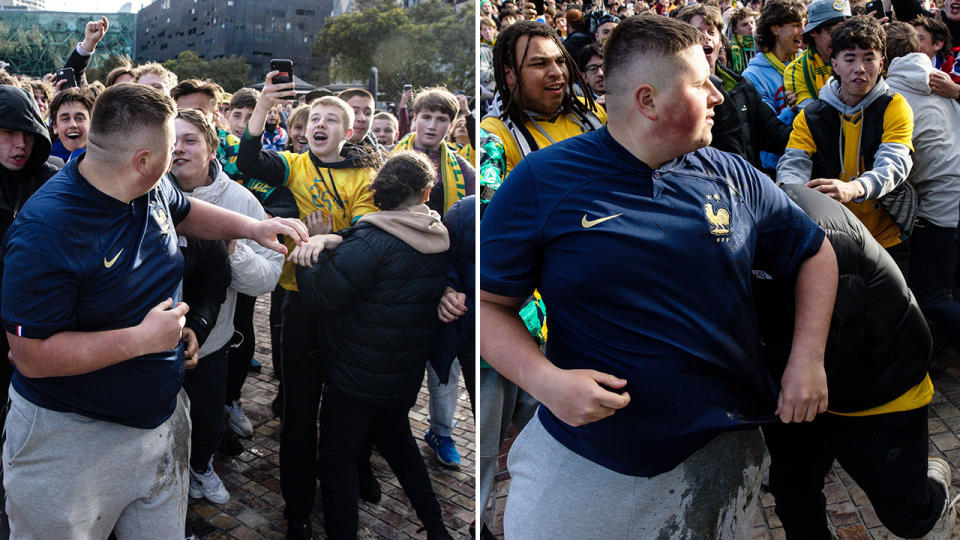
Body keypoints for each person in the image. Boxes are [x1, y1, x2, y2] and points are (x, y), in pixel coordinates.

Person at [480, 14, 837, 538]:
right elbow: (488, 306)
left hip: (723, 448)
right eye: (701, 83)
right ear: (647, 101)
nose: (719, 95)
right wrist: (546, 382)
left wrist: (808, 357)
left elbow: (815, 251)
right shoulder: (541, 180)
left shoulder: (729, 171)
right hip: (593, 461)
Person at [0, 83, 306, 539]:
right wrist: (142, 339)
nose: (176, 158)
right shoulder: (47, 229)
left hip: (160, 424)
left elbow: (185, 212)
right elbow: (30, 356)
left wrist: (253, 226)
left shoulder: (150, 186)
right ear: (143, 160)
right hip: (70, 442)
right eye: (168, 148)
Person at [754, 184, 953, 540]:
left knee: (908, 517)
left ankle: (933, 479)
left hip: (879, 379)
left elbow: (835, 344)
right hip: (798, 376)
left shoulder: (820, 237)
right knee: (791, 492)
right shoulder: (718, 234)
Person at [236, 74, 379, 539]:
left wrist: (327, 236)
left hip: (348, 312)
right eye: (314, 117)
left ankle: (348, 481)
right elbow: (248, 159)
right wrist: (262, 106)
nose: (320, 124)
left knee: (344, 411)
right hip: (298, 305)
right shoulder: (294, 165)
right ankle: (296, 510)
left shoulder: (364, 176)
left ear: (348, 131)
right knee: (298, 415)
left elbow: (366, 236)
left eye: (331, 119)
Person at [289, 151, 454, 540]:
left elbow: (324, 298)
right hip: (402, 375)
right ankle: (436, 527)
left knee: (336, 459)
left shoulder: (371, 243)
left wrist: (310, 255)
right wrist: (341, 237)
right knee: (400, 446)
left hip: (354, 377)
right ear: (427, 192)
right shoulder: (440, 235)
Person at [169, 108, 284, 504]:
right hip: (149, 338)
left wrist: (233, 253)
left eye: (189, 140)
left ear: (212, 147)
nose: (178, 149)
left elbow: (267, 278)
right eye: (172, 139)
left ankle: (201, 468)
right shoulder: (144, 189)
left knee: (205, 419)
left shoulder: (238, 200)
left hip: (211, 337)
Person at [777, 16, 915, 268]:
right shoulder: (811, 115)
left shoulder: (895, 106)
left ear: (882, 63)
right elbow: (794, 164)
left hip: (887, 240)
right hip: (833, 238)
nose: (860, 68)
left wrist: (855, 188)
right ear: (835, 65)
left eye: (869, 58)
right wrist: (792, 198)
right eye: (850, 59)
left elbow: (894, 164)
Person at [392, 87, 474, 469]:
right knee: (398, 365)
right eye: (427, 116)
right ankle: (389, 427)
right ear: (414, 116)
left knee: (446, 367)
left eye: (442, 118)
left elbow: (468, 238)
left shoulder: (466, 172)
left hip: (447, 280)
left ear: (452, 123)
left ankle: (442, 431)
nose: (433, 125)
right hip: (399, 281)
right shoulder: (388, 161)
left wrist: (453, 286)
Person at [884, 23, 960, 346]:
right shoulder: (942, 83)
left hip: (942, 205)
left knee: (929, 294)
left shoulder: (890, 93)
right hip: (952, 193)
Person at [482, 20, 605, 177]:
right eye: (540, 64)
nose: (557, 72)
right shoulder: (492, 136)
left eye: (560, 61)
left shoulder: (591, 112)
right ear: (509, 75)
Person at [676, 3, 792, 170]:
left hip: (747, 186)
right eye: (699, 32)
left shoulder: (741, 87)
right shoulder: (676, 94)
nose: (707, 37)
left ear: (720, 41)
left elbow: (773, 134)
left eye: (711, 32)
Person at [0, 85, 59, 406]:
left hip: (39, 330)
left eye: (27, 133)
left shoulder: (55, 181)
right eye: (8, 132)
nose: (20, 144)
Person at [742, 0, 805, 171]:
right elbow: (766, 131)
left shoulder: (807, 63)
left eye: (804, 24)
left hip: (809, 159)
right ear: (775, 29)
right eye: (795, 25)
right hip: (775, 167)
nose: (803, 31)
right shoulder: (753, 76)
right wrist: (792, 108)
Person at [783, 0, 851, 110]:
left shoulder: (863, 59)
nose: (841, 38)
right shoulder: (797, 69)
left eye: (847, 31)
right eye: (832, 32)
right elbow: (812, 115)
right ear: (813, 32)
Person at [48, 87, 95, 162]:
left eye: (79, 118)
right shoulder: (44, 164)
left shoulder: (107, 160)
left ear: (92, 123)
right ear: (55, 126)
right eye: (65, 119)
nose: (72, 125)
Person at [727, 7, 759, 74]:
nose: (750, 27)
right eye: (745, 25)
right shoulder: (731, 49)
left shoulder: (762, 44)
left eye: (752, 22)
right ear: (735, 29)